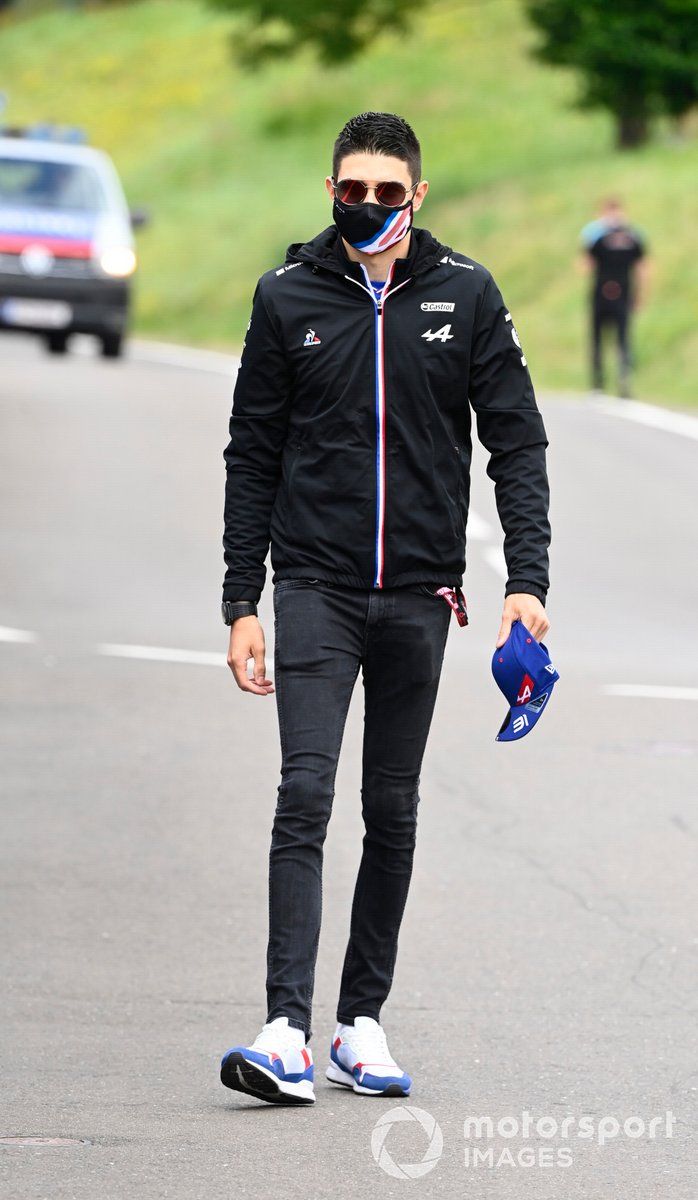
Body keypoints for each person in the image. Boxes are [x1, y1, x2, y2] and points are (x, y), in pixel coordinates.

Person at [219, 111, 551, 1106]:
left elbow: (516, 443)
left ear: (417, 196)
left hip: (417, 594)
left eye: (385, 192)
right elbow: (250, 453)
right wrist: (242, 599)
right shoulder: (286, 298)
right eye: (349, 191)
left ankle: (358, 1025)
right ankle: (284, 1027)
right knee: (304, 794)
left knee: (390, 811)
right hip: (313, 584)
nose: (367, 207)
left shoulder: (467, 296)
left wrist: (525, 582)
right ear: (330, 192)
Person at [579, 197, 649, 397]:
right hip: (611, 292)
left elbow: (585, 264)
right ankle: (603, 383)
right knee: (606, 339)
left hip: (611, 292)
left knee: (618, 339)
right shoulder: (629, 236)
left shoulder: (602, 236)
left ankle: (614, 383)